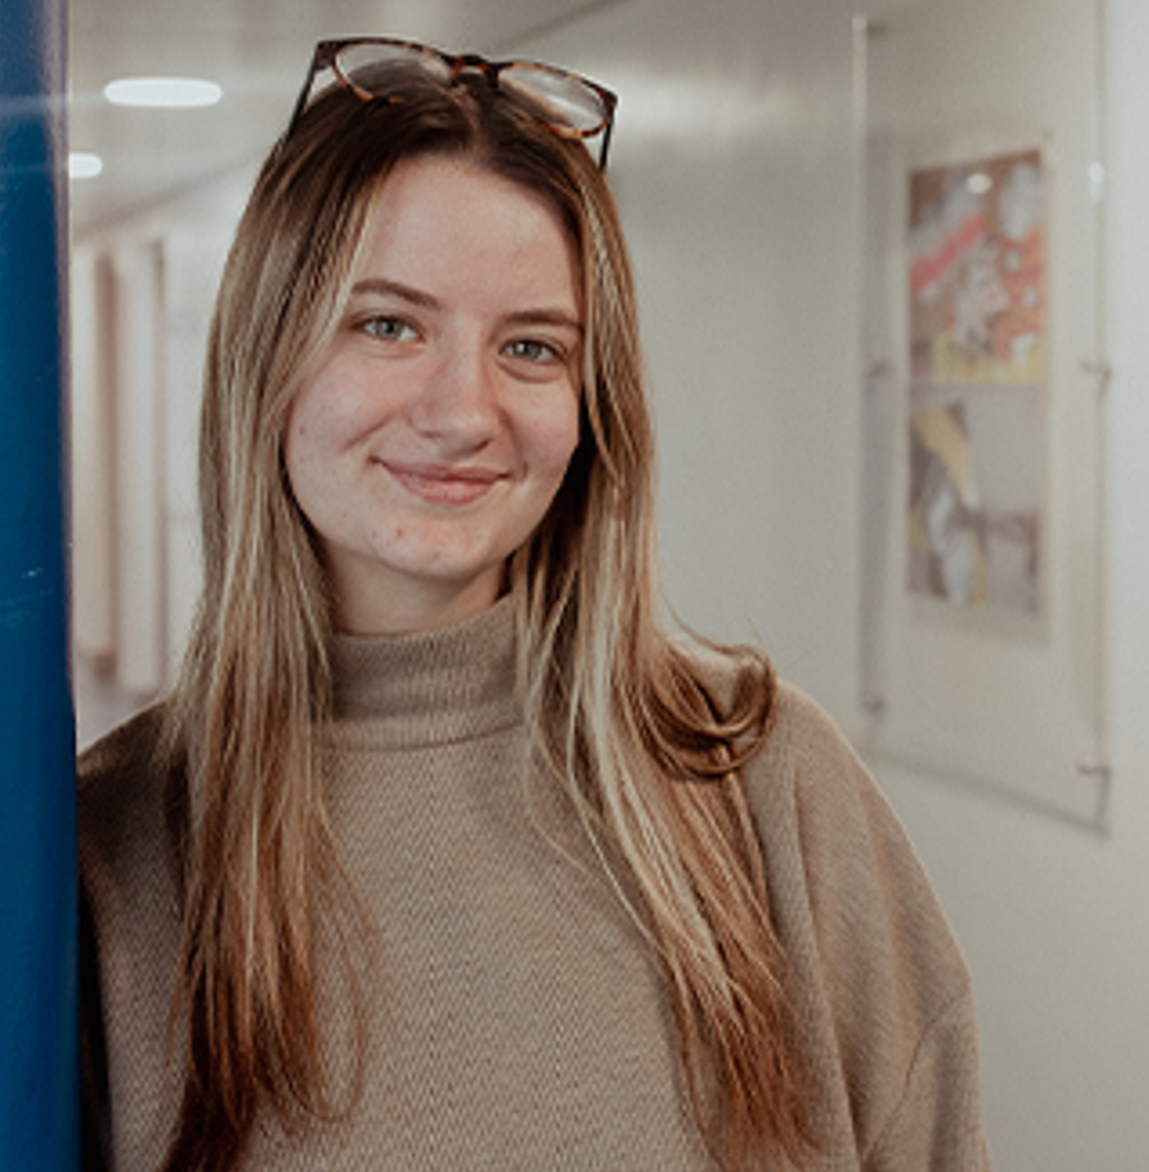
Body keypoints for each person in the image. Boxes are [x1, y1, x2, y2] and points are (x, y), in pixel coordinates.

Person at [78, 37, 991, 1172]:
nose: (463, 411)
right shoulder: (112, 853)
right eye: (389, 324)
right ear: (267, 359)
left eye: (529, 346)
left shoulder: (763, 783)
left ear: (589, 402)